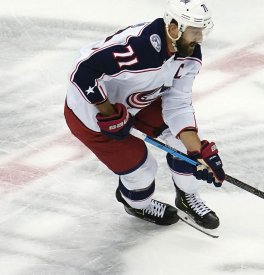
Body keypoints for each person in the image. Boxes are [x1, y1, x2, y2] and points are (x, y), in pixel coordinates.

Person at [64, 0, 225, 230]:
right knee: (143, 169)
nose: (199, 39)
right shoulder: (137, 49)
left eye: (202, 31)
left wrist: (197, 150)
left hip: (139, 99)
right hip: (92, 115)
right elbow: (83, 70)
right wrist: (108, 112)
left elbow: (178, 104)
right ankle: (137, 204)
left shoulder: (188, 55)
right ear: (173, 28)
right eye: (194, 31)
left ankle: (187, 196)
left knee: (184, 147)